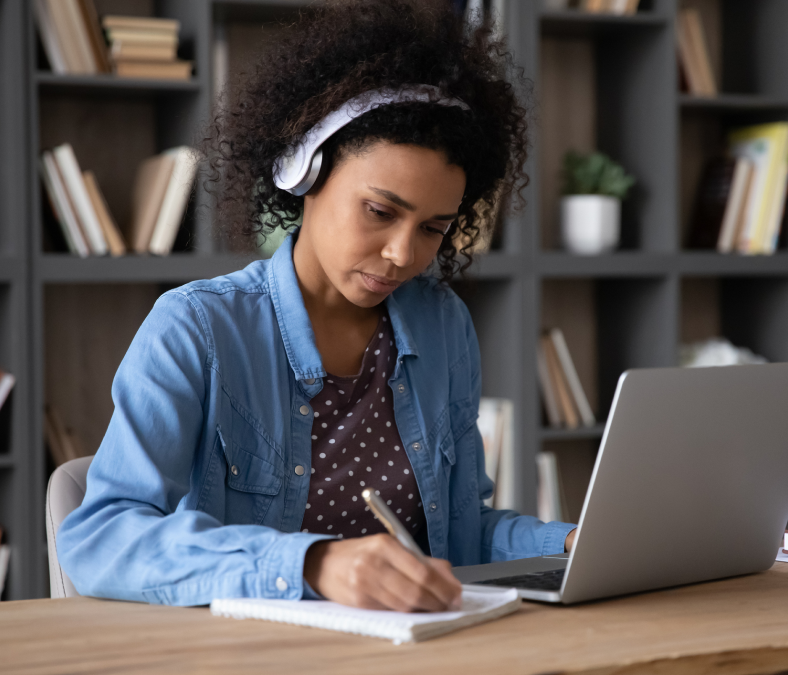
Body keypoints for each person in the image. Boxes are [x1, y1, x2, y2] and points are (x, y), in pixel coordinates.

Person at [57, 0, 577, 612]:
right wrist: (313, 562)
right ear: (302, 173)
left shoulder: (443, 327)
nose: (402, 253)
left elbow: (461, 535)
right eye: (380, 212)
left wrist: (568, 540)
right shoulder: (196, 328)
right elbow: (100, 538)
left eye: (435, 227)